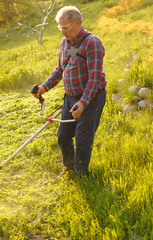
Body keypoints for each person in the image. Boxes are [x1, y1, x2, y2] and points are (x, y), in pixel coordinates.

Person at [31, 6, 106, 177]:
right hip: (70, 99)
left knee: (82, 141)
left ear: (78, 23)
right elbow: (61, 68)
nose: (62, 32)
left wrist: (83, 102)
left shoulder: (92, 43)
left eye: (65, 27)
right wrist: (44, 87)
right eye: (60, 28)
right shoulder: (68, 43)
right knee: (63, 136)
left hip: (90, 99)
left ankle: (82, 176)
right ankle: (70, 167)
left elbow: (94, 78)